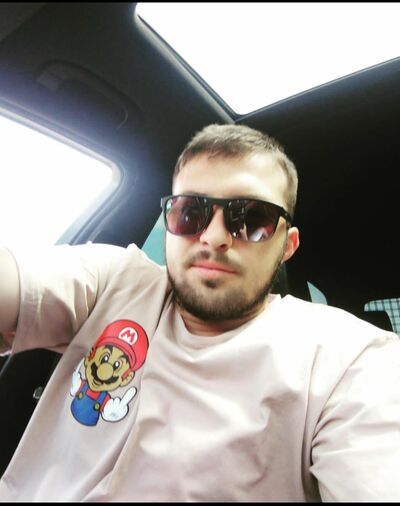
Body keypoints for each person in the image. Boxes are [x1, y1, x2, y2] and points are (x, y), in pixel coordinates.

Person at [0, 124, 399, 502]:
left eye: (253, 219)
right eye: (191, 212)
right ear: (169, 221)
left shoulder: (350, 360)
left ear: (287, 246)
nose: (214, 237)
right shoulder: (113, 281)